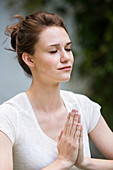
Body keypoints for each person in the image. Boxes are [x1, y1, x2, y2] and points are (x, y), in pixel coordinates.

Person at [0, 11, 113, 170]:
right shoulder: (8, 117)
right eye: (53, 51)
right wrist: (63, 162)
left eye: (68, 48)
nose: (66, 57)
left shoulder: (82, 106)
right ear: (29, 59)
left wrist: (84, 162)